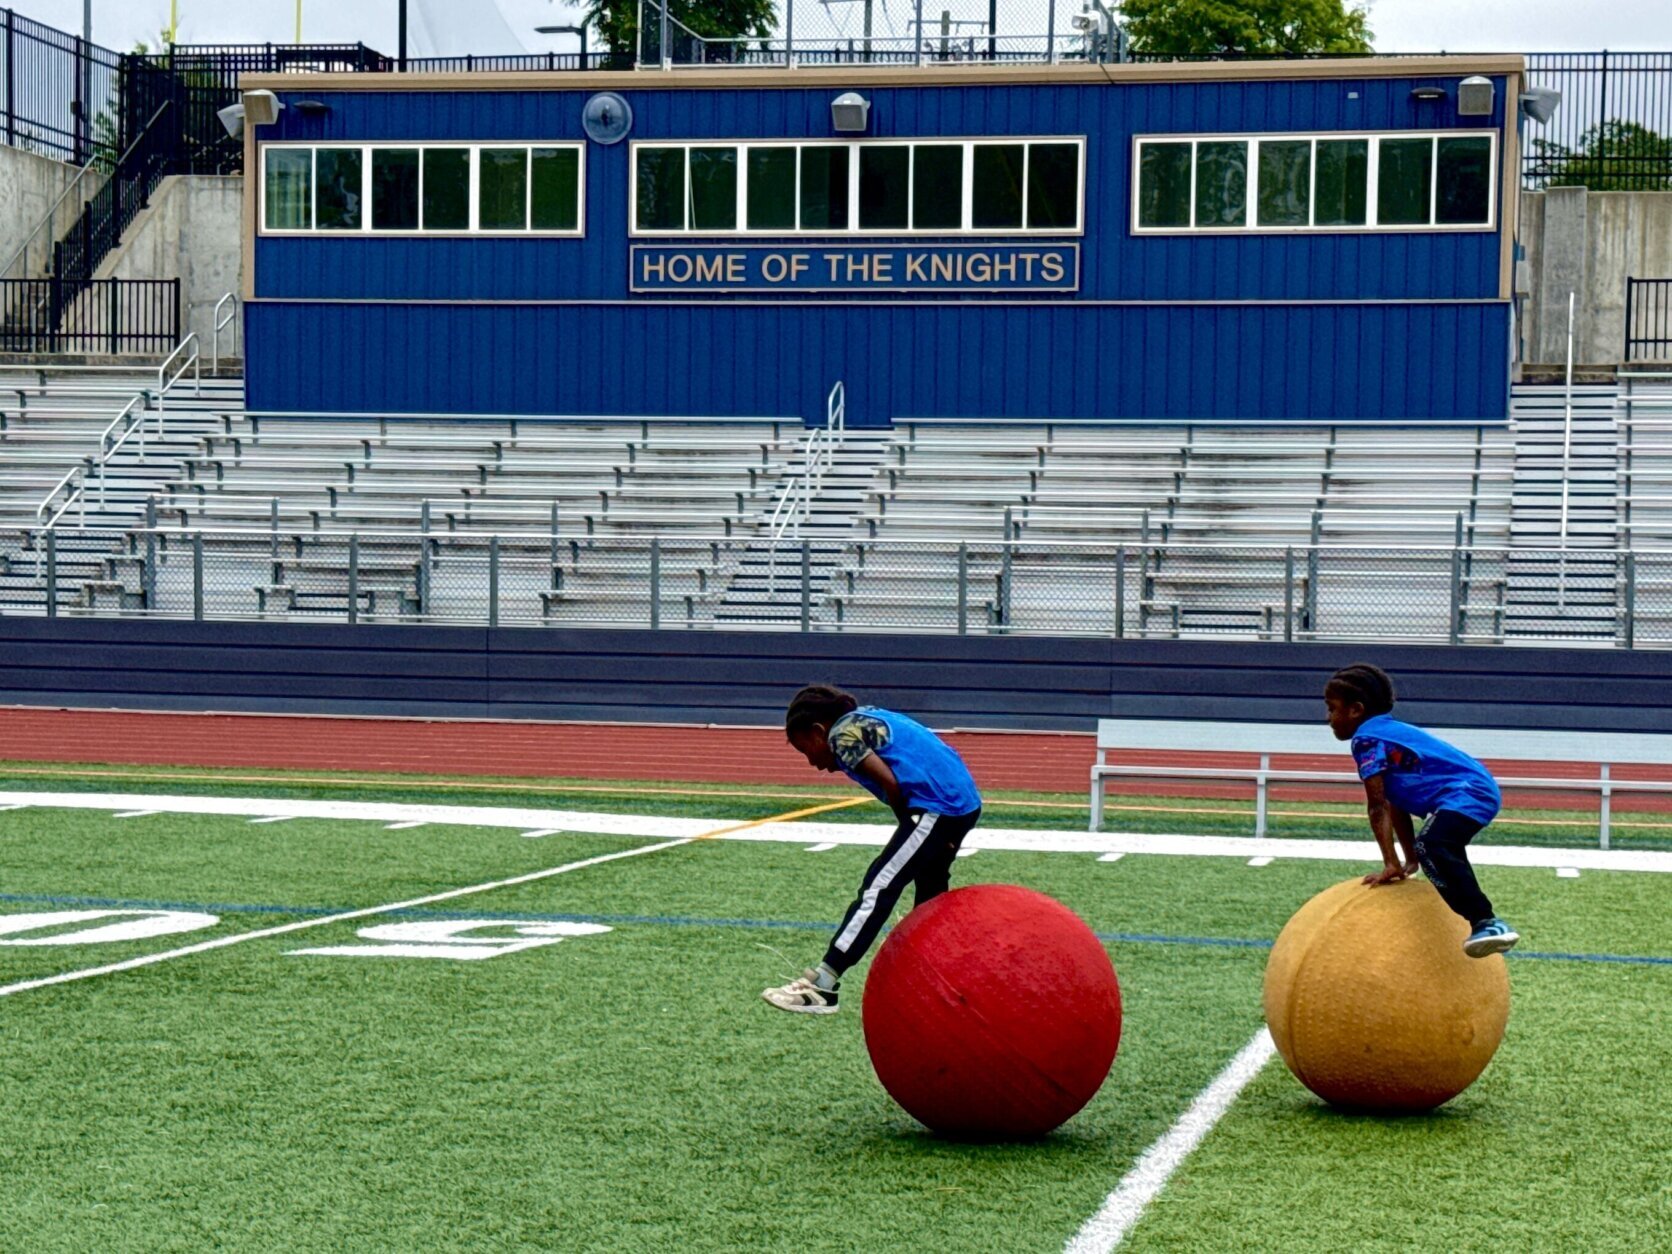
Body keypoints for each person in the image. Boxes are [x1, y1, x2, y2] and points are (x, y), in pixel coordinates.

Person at [762, 685, 983, 1014]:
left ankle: (823, 983)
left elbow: (891, 784)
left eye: (804, 748)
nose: (810, 761)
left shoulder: (841, 736)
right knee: (930, 890)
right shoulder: (869, 715)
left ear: (818, 730)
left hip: (937, 806)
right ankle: (933, 972)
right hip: (961, 801)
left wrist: (912, 826)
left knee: (879, 886)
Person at [1324, 663, 1519, 958]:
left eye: (1331, 708)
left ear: (1355, 710)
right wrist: (1409, 860)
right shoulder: (1386, 733)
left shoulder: (1367, 739)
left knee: (1434, 845)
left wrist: (1391, 863)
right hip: (1473, 789)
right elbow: (1394, 803)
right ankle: (1483, 920)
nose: (1329, 719)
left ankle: (1487, 922)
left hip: (1468, 792)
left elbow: (1377, 807)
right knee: (1432, 848)